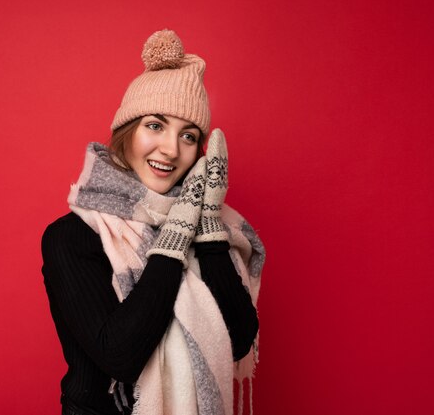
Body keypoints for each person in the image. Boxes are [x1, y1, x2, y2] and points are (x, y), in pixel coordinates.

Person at [41, 29, 266, 415]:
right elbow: (121, 356)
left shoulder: (212, 226)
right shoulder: (73, 236)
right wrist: (176, 235)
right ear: (127, 132)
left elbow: (240, 338)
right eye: (155, 126)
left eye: (189, 135)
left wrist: (207, 224)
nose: (170, 149)